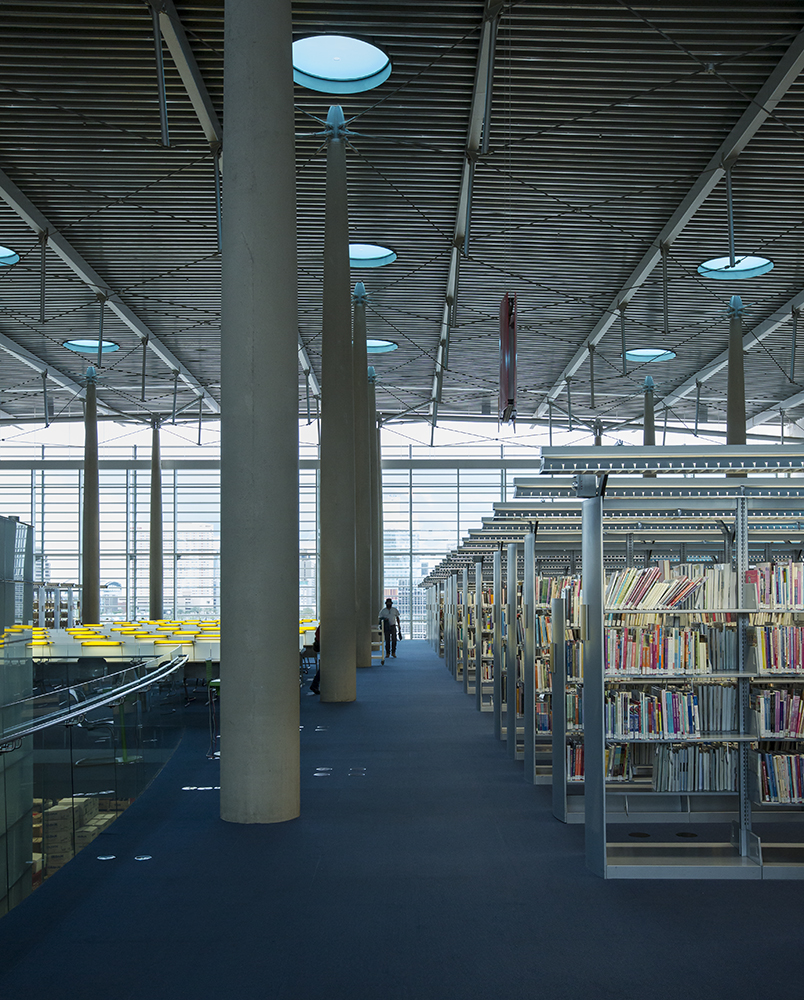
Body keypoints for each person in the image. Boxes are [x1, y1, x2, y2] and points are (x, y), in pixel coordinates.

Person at [308, 625, 320, 695]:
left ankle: (315, 685)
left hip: (323, 647)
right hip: (327, 648)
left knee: (323, 668)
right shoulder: (325, 627)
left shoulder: (320, 628)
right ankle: (314, 685)